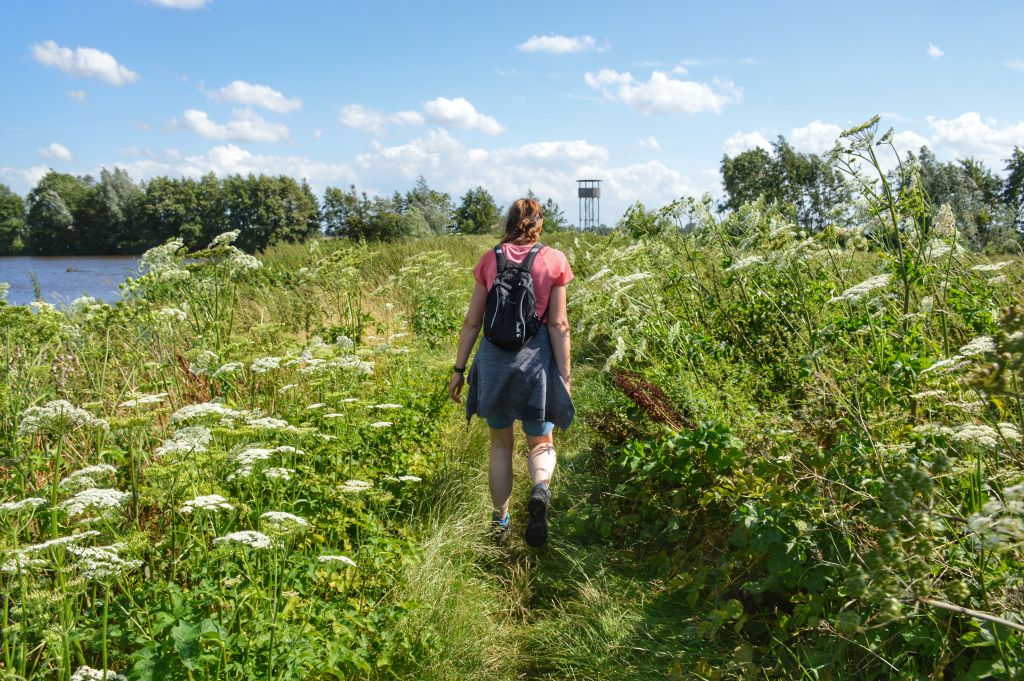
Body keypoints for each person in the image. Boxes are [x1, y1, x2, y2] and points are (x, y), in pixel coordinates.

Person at [448, 197, 574, 547]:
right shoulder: (554, 260)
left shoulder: (491, 258)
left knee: (500, 445)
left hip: (493, 363)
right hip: (536, 365)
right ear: (539, 223)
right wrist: (564, 376)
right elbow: (558, 323)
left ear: (509, 222)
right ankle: (539, 491)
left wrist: (459, 369)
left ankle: (500, 522)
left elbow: (473, 321)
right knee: (541, 441)